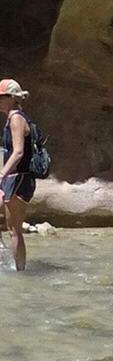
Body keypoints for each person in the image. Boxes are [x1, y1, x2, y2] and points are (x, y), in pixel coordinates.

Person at [0, 79, 36, 272]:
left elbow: (19, 152)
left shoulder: (16, 119)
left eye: (1, 97)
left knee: (15, 230)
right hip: (15, 178)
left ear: (11, 99)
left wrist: (1, 175)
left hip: (19, 178)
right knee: (11, 228)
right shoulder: (14, 117)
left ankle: (20, 272)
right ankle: (13, 264)